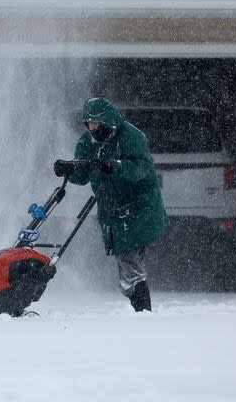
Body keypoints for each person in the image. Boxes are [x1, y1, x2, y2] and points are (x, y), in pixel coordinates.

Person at [53, 97, 169, 312]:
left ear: (107, 121)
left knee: (128, 259)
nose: (93, 129)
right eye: (89, 125)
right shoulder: (88, 142)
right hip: (113, 209)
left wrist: (112, 166)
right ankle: (140, 308)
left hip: (138, 207)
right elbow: (83, 174)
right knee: (127, 260)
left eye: (96, 124)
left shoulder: (131, 136)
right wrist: (69, 169)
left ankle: (143, 311)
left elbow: (141, 170)